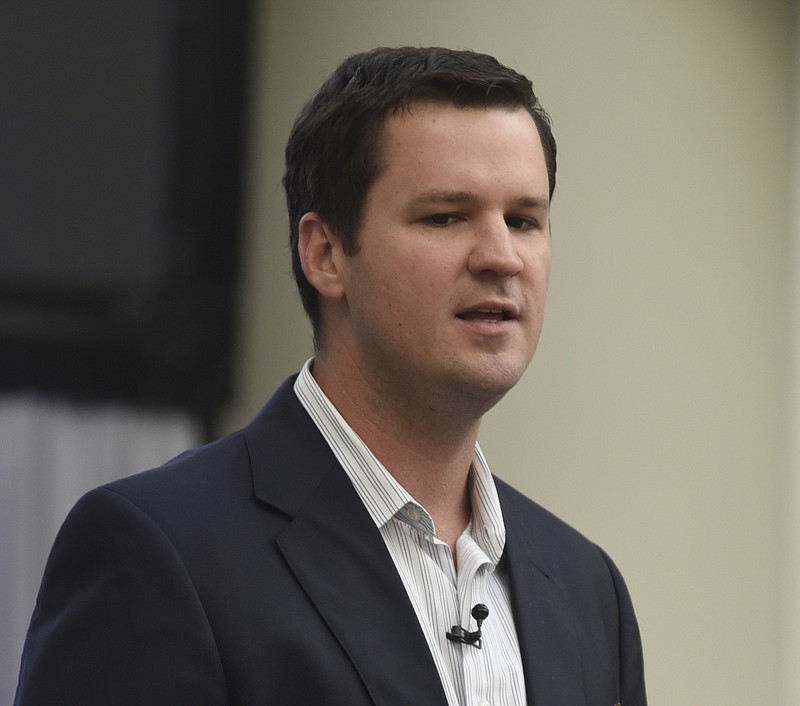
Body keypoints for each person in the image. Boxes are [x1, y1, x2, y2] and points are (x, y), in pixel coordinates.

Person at [14, 46, 647, 705]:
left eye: (524, 220)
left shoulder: (587, 589)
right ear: (324, 254)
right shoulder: (157, 551)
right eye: (445, 216)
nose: (501, 256)